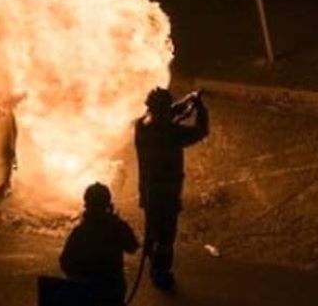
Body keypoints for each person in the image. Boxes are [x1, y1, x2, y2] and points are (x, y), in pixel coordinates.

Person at [134, 87, 209, 292]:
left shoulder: (141, 126)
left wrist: (187, 100)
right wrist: (200, 108)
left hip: (148, 191)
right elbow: (201, 131)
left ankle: (152, 260)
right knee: (166, 236)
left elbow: (166, 115)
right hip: (166, 194)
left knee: (152, 229)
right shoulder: (172, 134)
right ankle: (161, 272)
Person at [59, 182, 139, 306]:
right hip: (112, 291)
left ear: (86, 205)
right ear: (107, 203)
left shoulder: (80, 231)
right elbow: (132, 246)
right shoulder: (117, 227)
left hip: (85, 294)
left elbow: (65, 262)